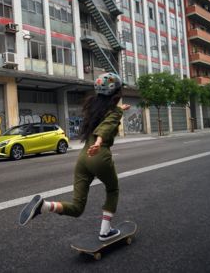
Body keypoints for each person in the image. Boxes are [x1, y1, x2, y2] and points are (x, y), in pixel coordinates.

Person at [19, 72, 130, 241]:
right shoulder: (113, 112)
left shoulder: (94, 108)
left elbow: (108, 117)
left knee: (77, 207)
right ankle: (105, 231)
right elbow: (107, 126)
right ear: (117, 93)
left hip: (83, 159)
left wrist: (119, 110)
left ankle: (45, 206)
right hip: (99, 154)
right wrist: (99, 142)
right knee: (112, 189)